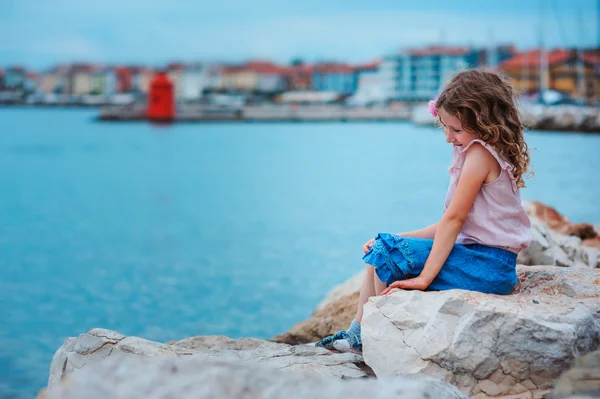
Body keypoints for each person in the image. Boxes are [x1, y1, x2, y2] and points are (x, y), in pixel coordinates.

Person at [315, 69, 533, 354]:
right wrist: (396, 236)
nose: (448, 137)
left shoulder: (480, 154)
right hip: (480, 259)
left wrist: (424, 279)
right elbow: (449, 222)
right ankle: (358, 333)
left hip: (486, 265)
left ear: (484, 123)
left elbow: (454, 221)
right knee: (381, 248)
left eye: (456, 130)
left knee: (386, 254)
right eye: (445, 127)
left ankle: (380, 339)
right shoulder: (481, 151)